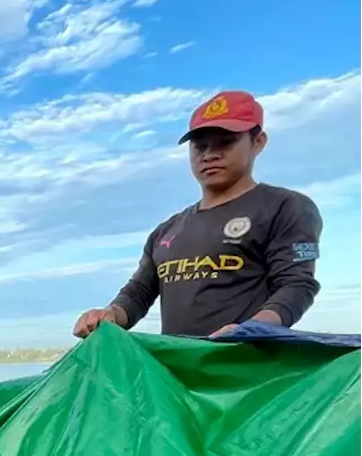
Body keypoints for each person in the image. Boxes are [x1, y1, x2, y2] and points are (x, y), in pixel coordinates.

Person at [73, 91, 323, 341]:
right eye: (200, 146)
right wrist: (109, 314)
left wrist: (252, 329)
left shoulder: (285, 207)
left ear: (257, 142)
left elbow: (296, 285)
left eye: (225, 142)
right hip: (177, 371)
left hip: (250, 367)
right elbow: (137, 294)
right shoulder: (165, 231)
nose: (209, 154)